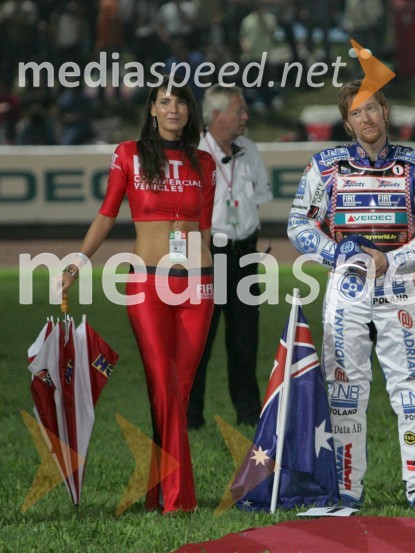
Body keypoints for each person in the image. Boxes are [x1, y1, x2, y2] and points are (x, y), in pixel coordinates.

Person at [287, 80, 415, 508]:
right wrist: (339, 254)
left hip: (399, 289)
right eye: (357, 113)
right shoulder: (325, 165)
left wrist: (392, 260)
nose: (367, 119)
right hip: (346, 291)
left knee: (412, 388)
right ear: (347, 122)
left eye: (373, 109)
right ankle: (346, 488)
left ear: (387, 110)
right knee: (344, 391)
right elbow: (299, 224)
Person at [60, 77, 216, 514]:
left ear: (190, 110)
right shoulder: (128, 154)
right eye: (164, 102)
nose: (173, 110)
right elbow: (106, 215)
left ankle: (158, 490)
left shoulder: (205, 162)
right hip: (147, 282)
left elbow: (205, 230)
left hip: (199, 284)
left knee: (177, 391)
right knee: (163, 384)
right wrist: (76, 262)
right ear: (151, 108)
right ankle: (178, 498)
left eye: (181, 102)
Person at [188, 85, 272, 430]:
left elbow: (259, 201)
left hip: (246, 254)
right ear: (217, 115)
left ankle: (250, 414)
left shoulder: (249, 150)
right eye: (239, 110)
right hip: (207, 255)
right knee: (199, 341)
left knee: (245, 340)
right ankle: (191, 417)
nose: (245, 116)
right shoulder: (191, 153)